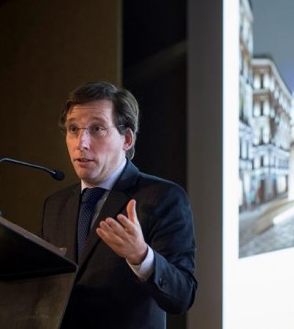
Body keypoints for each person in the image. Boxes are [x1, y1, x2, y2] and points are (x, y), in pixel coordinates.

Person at [41, 81, 197, 328]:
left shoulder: (162, 198)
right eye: (73, 129)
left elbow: (182, 295)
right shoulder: (56, 205)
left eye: (97, 129)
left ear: (126, 139)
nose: (81, 142)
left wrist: (142, 257)